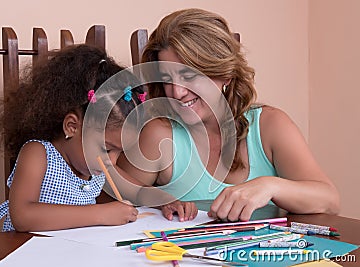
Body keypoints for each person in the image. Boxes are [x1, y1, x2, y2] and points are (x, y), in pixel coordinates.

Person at [117, 8, 340, 222]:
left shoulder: (269, 126)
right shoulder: (159, 134)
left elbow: (329, 201)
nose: (177, 92)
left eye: (188, 76)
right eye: (167, 79)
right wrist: (157, 200)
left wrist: (270, 186)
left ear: (225, 74)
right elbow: (111, 195)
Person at [0, 44, 194, 232]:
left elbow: (135, 189)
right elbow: (23, 216)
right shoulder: (39, 154)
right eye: (107, 148)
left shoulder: (97, 164)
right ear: (72, 126)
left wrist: (165, 200)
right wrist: (100, 213)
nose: (112, 161)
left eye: (119, 152)